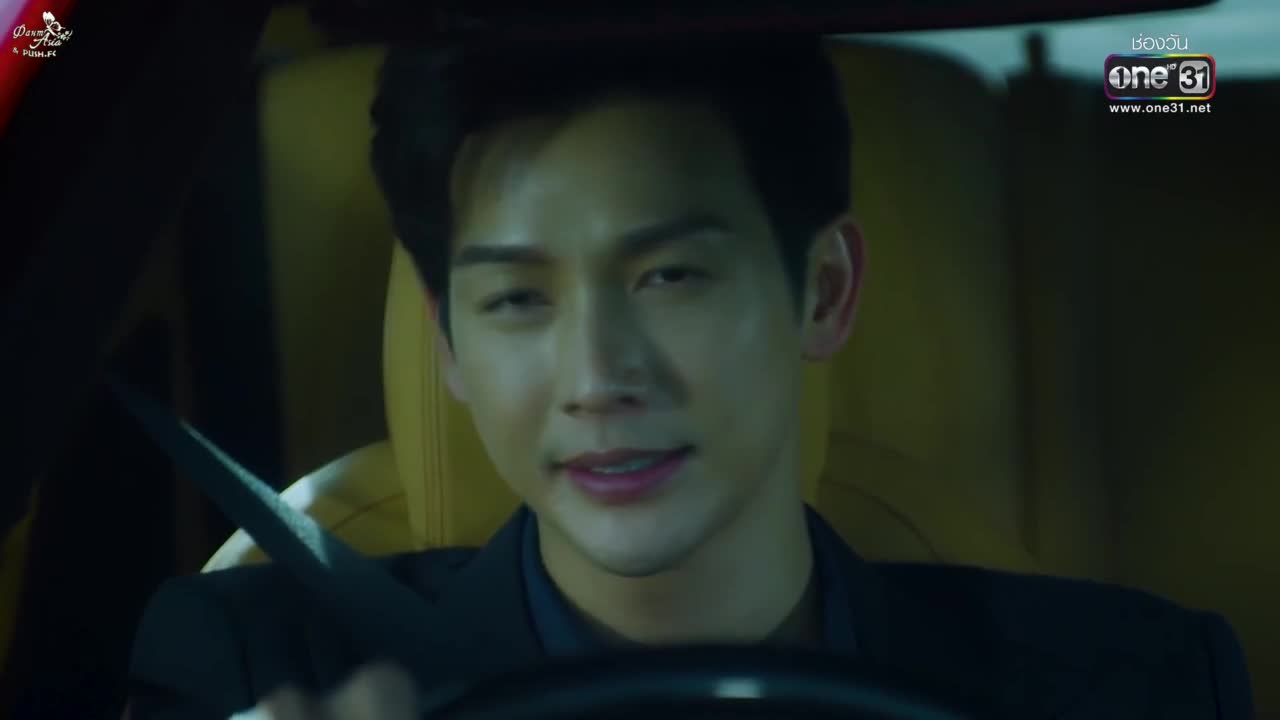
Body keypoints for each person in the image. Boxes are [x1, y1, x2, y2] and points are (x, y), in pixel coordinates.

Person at [124, 34, 1254, 719]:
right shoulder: (254, 670)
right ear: (449, 345)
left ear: (822, 291)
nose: (597, 378)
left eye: (669, 276)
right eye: (516, 299)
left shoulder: (1136, 685)